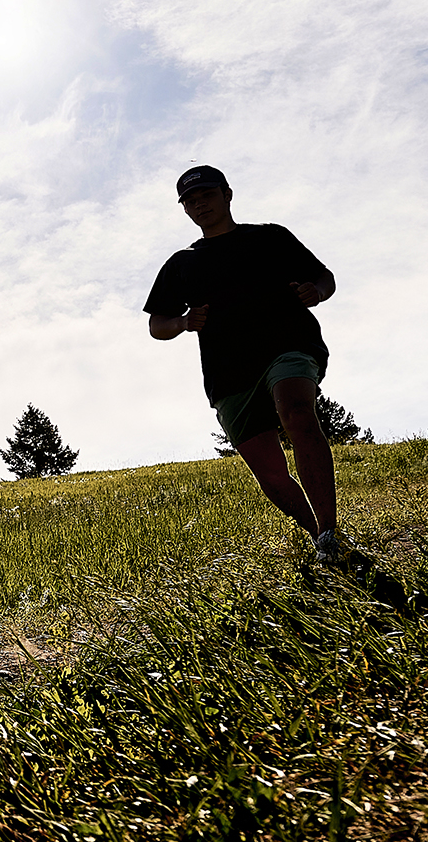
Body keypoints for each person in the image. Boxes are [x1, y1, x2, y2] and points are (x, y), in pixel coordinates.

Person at [144, 165, 350, 560]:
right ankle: (319, 538)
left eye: (206, 194)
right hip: (228, 372)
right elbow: (157, 325)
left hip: (287, 344)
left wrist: (317, 292)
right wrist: (184, 322)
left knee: (297, 413)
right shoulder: (181, 263)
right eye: (190, 200)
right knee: (269, 471)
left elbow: (324, 276)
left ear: (227, 195)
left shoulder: (270, 237)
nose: (199, 204)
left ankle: (329, 532)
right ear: (184, 210)